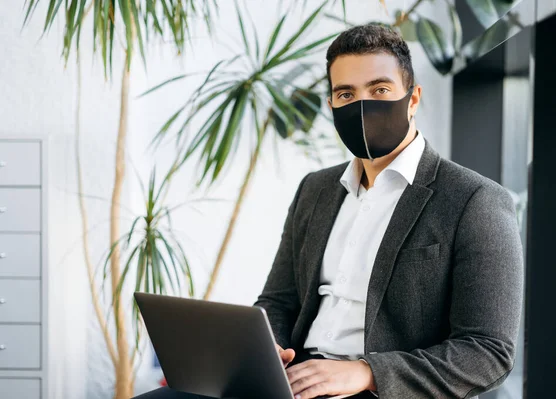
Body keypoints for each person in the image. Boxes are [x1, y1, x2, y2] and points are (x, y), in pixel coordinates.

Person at [134, 24, 523, 399]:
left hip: (382, 391)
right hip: (294, 379)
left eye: (380, 88)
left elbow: (488, 352)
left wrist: (366, 372)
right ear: (332, 104)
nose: (362, 105)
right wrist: (265, 350)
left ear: (414, 97)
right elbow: (279, 301)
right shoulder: (314, 189)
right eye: (346, 94)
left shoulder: (475, 200)